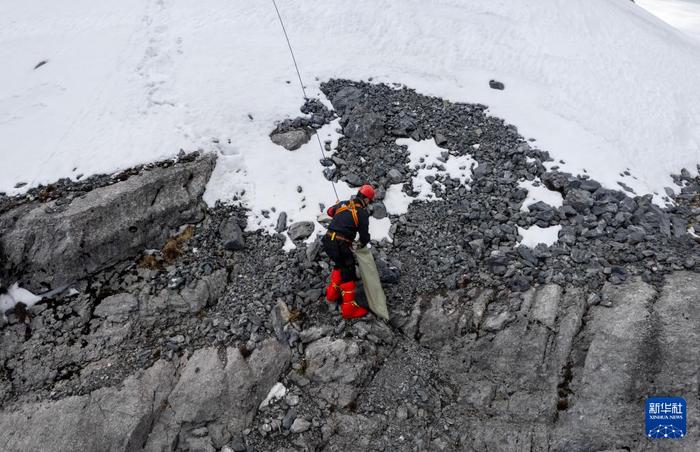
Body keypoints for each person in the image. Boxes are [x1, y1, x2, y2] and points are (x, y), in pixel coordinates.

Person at [322, 184, 375, 319]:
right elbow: (364, 236)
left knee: (340, 264)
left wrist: (338, 206)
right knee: (349, 271)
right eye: (370, 201)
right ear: (367, 200)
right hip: (340, 243)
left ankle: (332, 294)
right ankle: (349, 309)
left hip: (328, 241)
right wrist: (362, 244)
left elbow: (329, 212)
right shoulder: (362, 214)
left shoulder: (344, 204)